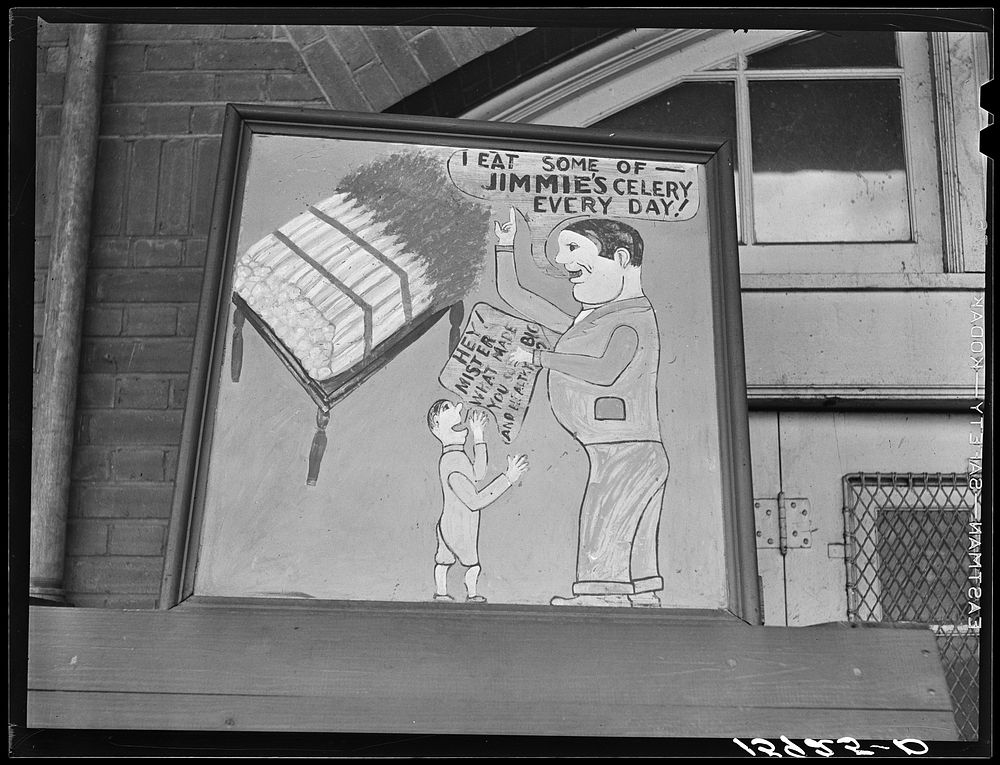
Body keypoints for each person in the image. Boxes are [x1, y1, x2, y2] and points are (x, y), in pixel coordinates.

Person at [496, 208, 669, 607]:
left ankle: (600, 599)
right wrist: (506, 245)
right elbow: (517, 297)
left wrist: (540, 358)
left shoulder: (631, 319)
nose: (560, 261)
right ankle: (643, 600)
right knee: (635, 549)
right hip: (629, 451)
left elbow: (607, 370)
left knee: (603, 530)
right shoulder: (593, 319)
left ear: (621, 260)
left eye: (573, 249)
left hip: (624, 452)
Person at [427, 399, 529, 603]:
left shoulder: (456, 455)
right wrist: (508, 479)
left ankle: (442, 594)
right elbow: (474, 501)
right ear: (437, 426)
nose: (458, 409)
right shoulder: (451, 462)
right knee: (471, 566)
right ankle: (469, 596)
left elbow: (478, 473)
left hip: (456, 522)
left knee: (445, 561)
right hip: (458, 525)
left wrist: (478, 435)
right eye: (448, 408)